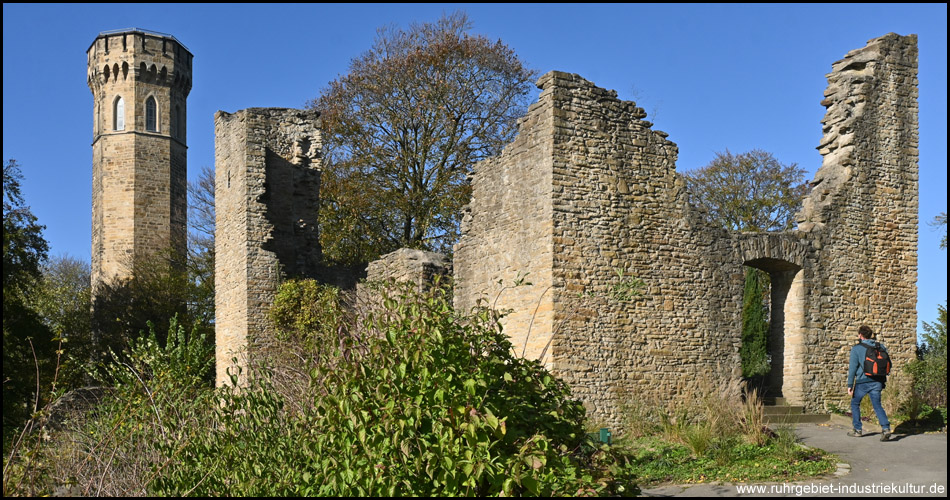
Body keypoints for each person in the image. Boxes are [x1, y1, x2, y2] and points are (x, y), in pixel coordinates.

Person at [847, 325, 891, 441]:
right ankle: (886, 428)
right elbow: (888, 363)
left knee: (855, 403)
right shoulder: (880, 346)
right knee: (877, 405)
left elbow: (852, 368)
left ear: (860, 335)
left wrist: (850, 385)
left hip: (862, 382)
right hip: (877, 381)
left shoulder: (857, 349)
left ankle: (857, 430)